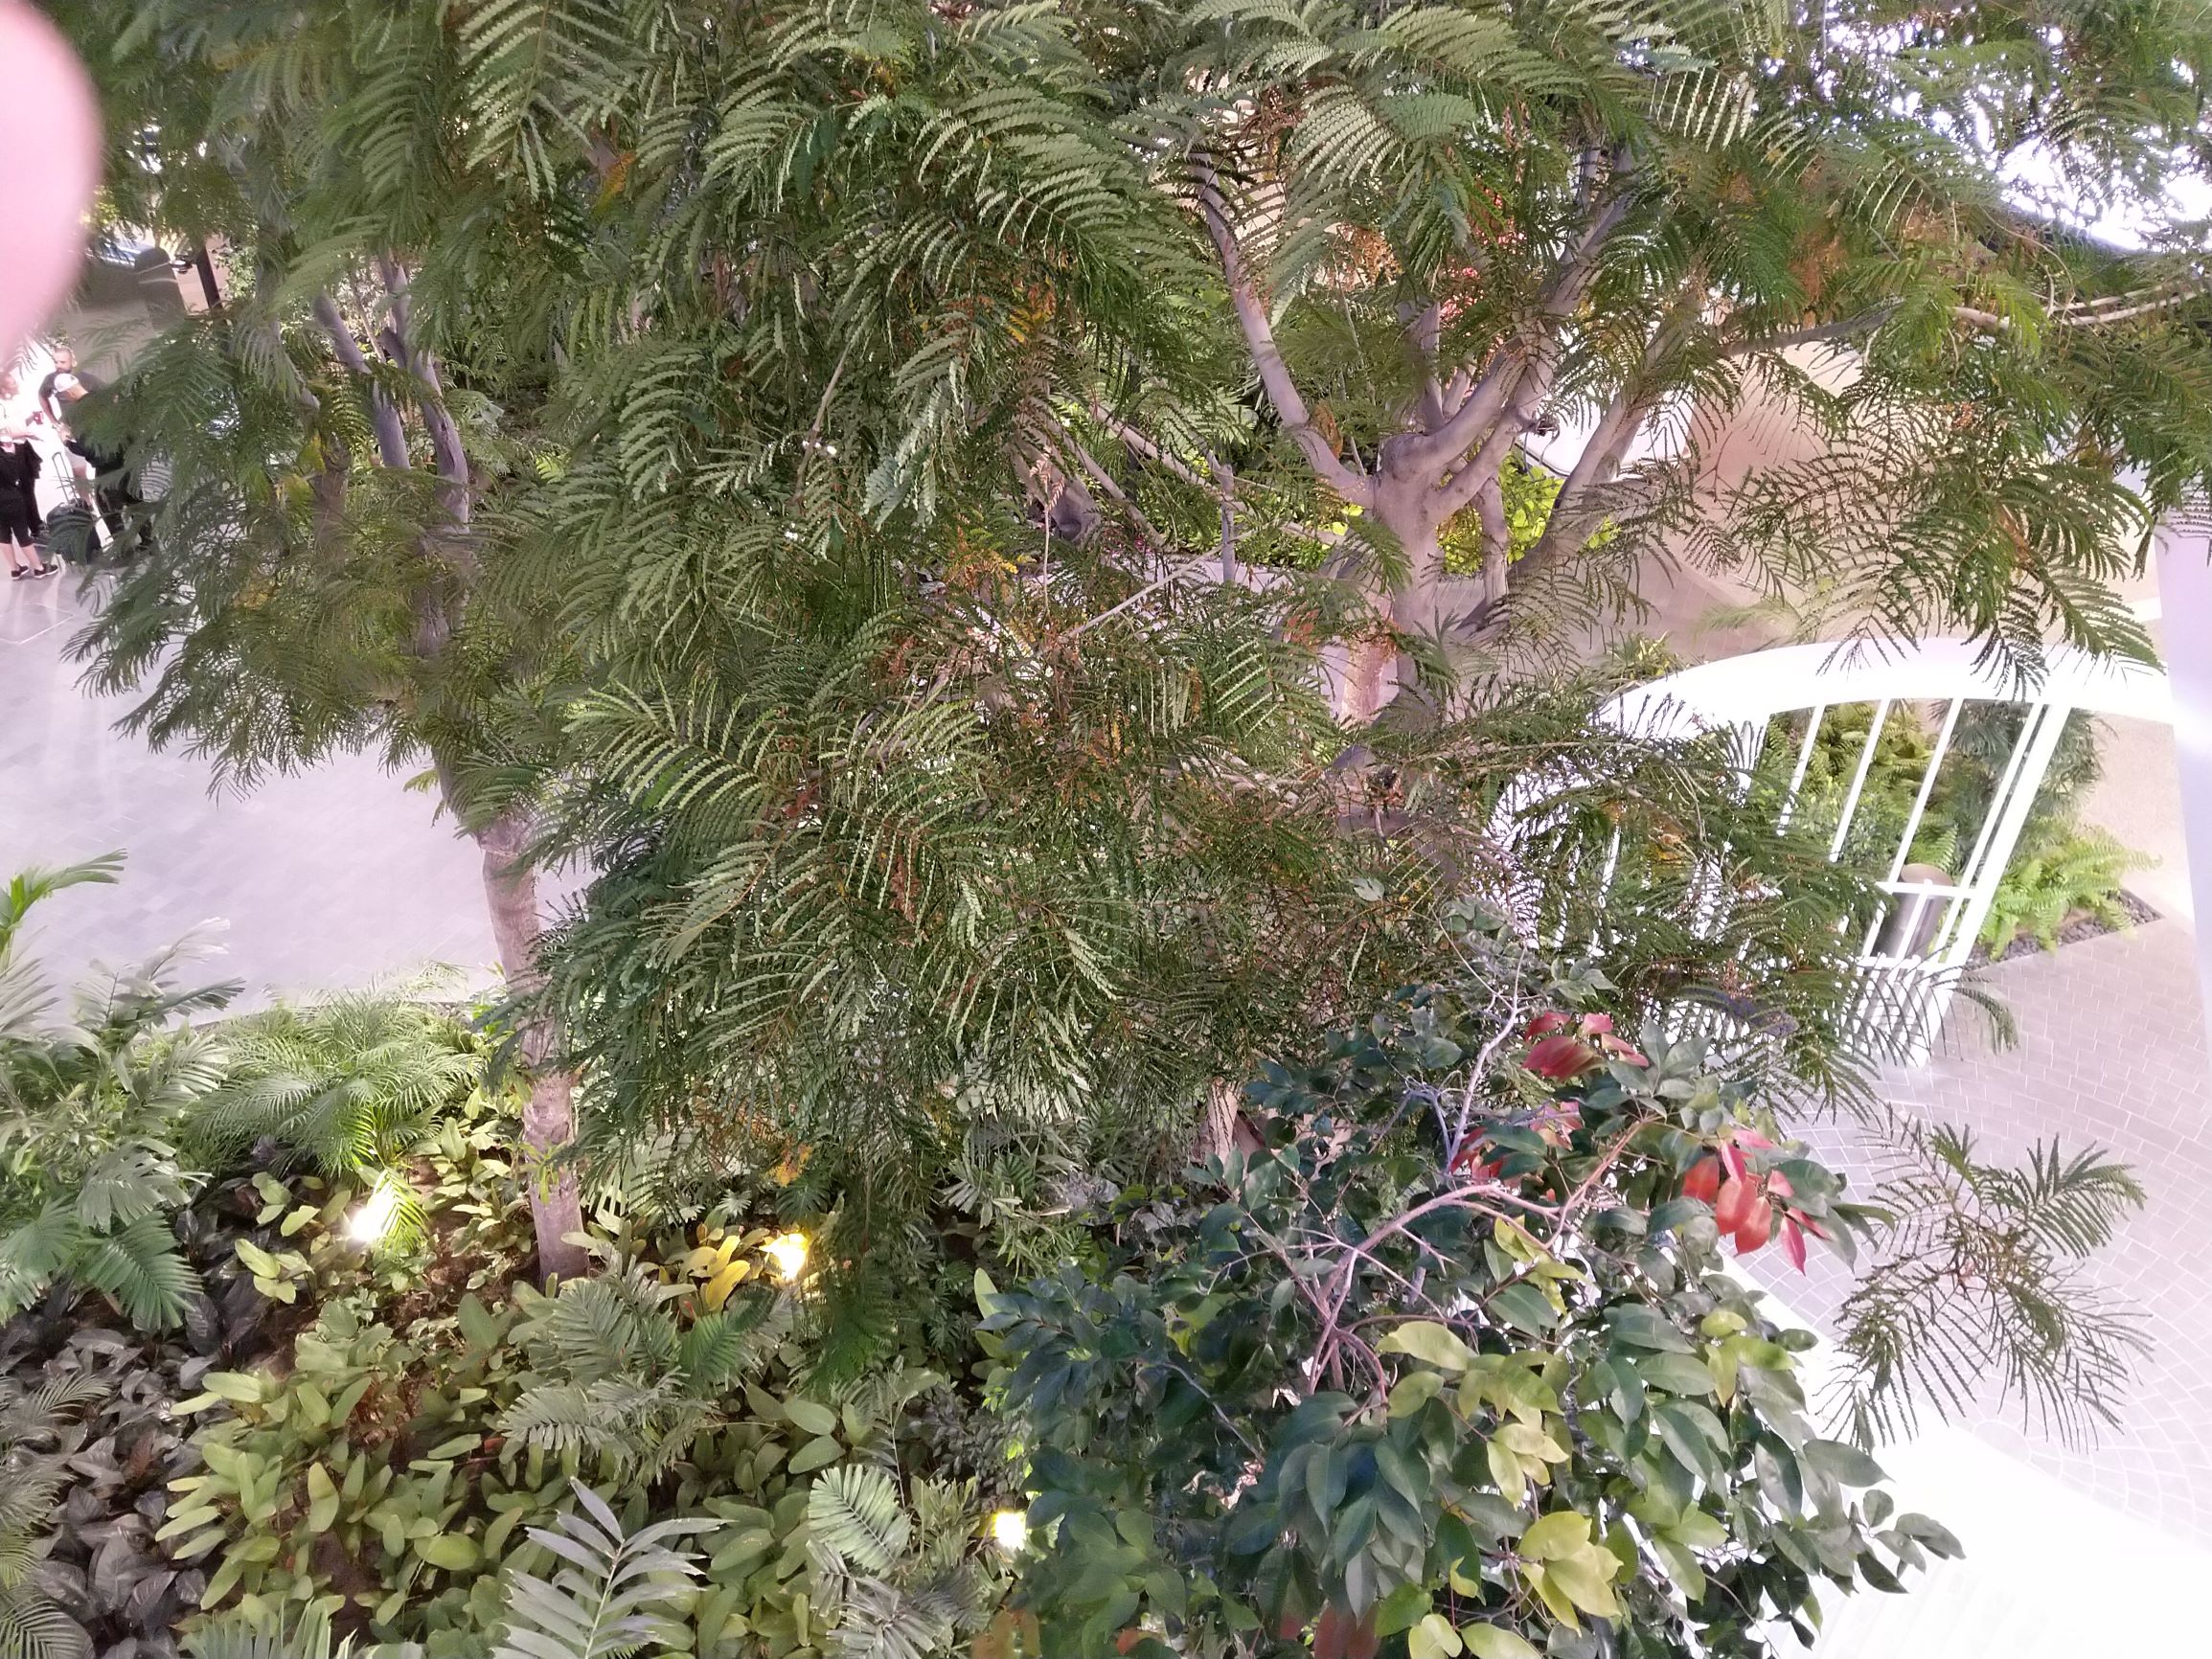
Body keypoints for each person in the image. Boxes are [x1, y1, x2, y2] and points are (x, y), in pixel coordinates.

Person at [35, 343, 136, 548]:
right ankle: (150, 543)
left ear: (70, 393)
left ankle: (124, 550)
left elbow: (86, 449)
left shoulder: (81, 413)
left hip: (107, 463)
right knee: (134, 497)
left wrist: (66, 440)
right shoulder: (99, 403)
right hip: (124, 455)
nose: (58, 365)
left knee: (107, 506)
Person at [0, 375, 54, 578]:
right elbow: (3, 433)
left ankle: (16, 567)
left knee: (28, 489)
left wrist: (29, 421)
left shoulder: (11, 403)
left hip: (20, 446)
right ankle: (37, 560)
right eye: (12, 382)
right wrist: (20, 437)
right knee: (20, 495)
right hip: (11, 450)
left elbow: (16, 425)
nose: (17, 384)